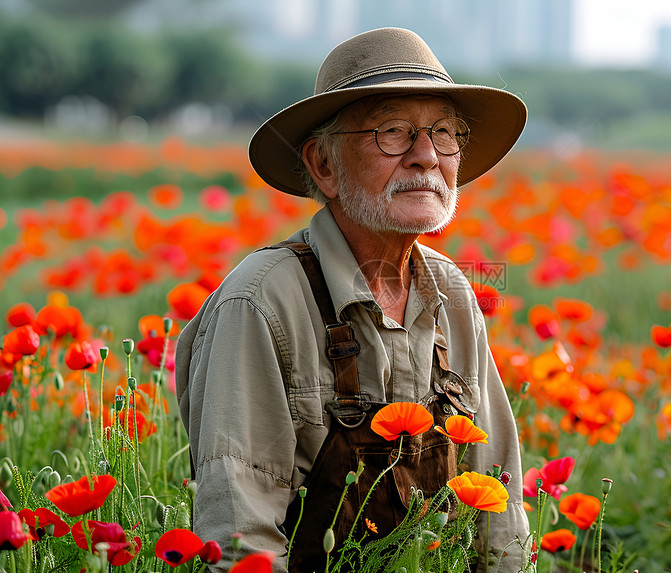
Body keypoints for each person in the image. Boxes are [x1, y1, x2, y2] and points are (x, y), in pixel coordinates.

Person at [175, 27, 529, 573]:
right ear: (323, 165)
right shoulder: (261, 301)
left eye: (443, 133)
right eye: (393, 132)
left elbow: (499, 515)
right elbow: (240, 537)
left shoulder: (452, 294)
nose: (425, 156)